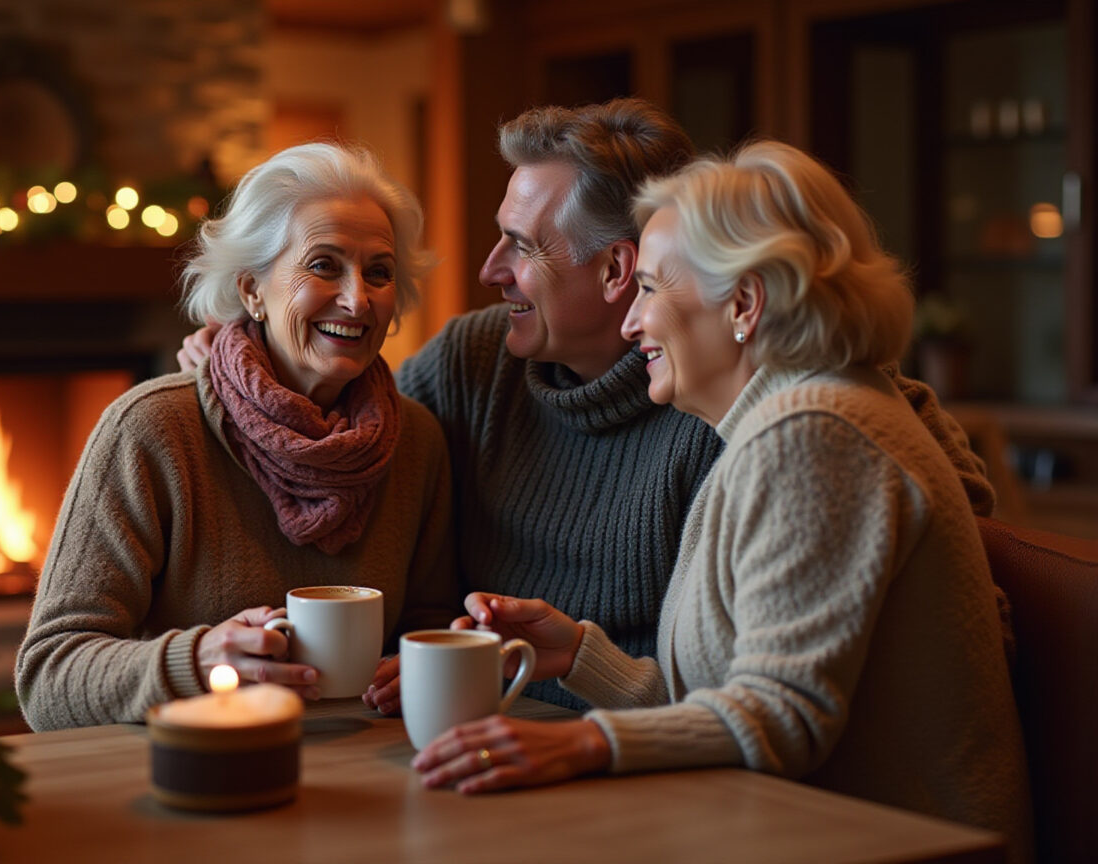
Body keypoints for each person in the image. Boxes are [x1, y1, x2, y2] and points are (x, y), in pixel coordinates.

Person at [179, 101, 994, 713]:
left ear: (618, 272)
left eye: (523, 246)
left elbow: (889, 454)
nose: (491, 268)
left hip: (661, 759)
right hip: (505, 734)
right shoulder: (477, 359)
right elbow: (346, 426)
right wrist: (238, 364)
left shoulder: (743, 401)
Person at [411, 140, 1032, 861]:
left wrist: (583, 743)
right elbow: (717, 705)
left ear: (743, 304)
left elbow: (782, 719)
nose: (632, 322)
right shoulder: (764, 431)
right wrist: (581, 654)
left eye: (649, 289)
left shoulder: (816, 436)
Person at [17, 142, 457, 729]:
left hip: (374, 775)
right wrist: (196, 662)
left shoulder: (417, 441)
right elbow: (48, 676)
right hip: (198, 773)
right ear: (251, 290)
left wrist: (419, 665)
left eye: (378, 272)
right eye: (323, 264)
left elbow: (431, 622)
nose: (357, 299)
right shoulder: (152, 429)